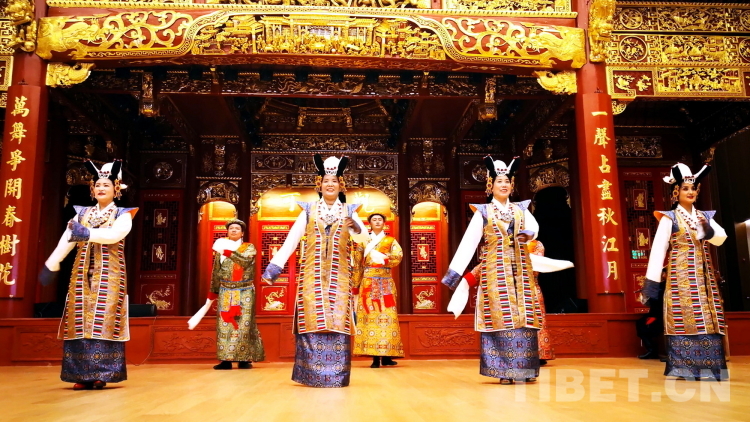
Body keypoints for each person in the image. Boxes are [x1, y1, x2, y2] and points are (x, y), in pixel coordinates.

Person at [442, 156, 571, 384]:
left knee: (524, 317)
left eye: (507, 181)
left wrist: (526, 235)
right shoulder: (483, 212)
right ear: (490, 185)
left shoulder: (521, 209)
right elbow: (468, 244)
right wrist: (453, 276)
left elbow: (534, 228)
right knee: (500, 318)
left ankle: (524, 369)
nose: (504, 185)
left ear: (512, 185)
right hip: (495, 273)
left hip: (521, 272)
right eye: (499, 181)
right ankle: (503, 370)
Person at [261, 155, 366, 388]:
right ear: (319, 185)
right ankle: (311, 376)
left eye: (334, 181)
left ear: (341, 185)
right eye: (326, 180)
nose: (330, 184)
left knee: (338, 323)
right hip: (312, 277)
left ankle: (336, 377)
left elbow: (363, 240)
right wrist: (273, 269)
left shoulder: (349, 210)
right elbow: (291, 241)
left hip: (340, 278)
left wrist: (356, 226)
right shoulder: (308, 210)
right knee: (312, 321)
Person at [39, 160, 138, 390]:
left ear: (116, 188)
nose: (101, 188)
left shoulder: (123, 214)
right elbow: (67, 239)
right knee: (79, 319)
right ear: (92, 189)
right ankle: (80, 375)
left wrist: (87, 233)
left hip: (110, 275)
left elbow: (114, 235)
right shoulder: (81, 213)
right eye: (97, 185)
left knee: (104, 319)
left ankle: (102, 373)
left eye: (106, 185)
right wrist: (52, 263)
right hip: (81, 275)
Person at [642, 162, 728, 381]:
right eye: (685, 188)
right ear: (676, 192)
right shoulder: (669, 218)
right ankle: (687, 368)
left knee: (707, 318)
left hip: (705, 278)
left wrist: (707, 229)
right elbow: (658, 251)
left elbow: (721, 238)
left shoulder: (704, 216)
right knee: (686, 319)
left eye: (693, 188)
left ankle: (709, 368)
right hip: (681, 279)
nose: (690, 192)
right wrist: (651, 285)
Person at [205, 219, 265, 370]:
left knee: (243, 325)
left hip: (244, 290)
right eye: (231, 228)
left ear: (242, 233)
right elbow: (216, 271)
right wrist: (213, 290)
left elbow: (245, 261)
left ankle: (243, 359)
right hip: (226, 291)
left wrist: (227, 252)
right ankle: (225, 360)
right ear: (227, 231)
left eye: (237, 228)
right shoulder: (221, 250)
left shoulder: (249, 247)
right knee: (224, 325)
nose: (233, 230)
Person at [352, 213, 404, 368]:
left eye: (380, 219)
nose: (377, 221)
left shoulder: (390, 241)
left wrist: (385, 258)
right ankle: (375, 358)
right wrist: (355, 284)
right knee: (370, 319)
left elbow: (398, 256)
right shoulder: (363, 241)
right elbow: (357, 264)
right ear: (369, 223)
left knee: (387, 318)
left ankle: (387, 356)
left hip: (385, 283)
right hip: (368, 284)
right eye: (374, 220)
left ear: (384, 223)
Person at [527, 239, 555, 365]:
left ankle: (540, 354)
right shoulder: (509, 242)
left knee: (537, 320)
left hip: (531, 287)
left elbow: (537, 263)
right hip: (512, 289)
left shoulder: (536, 244)